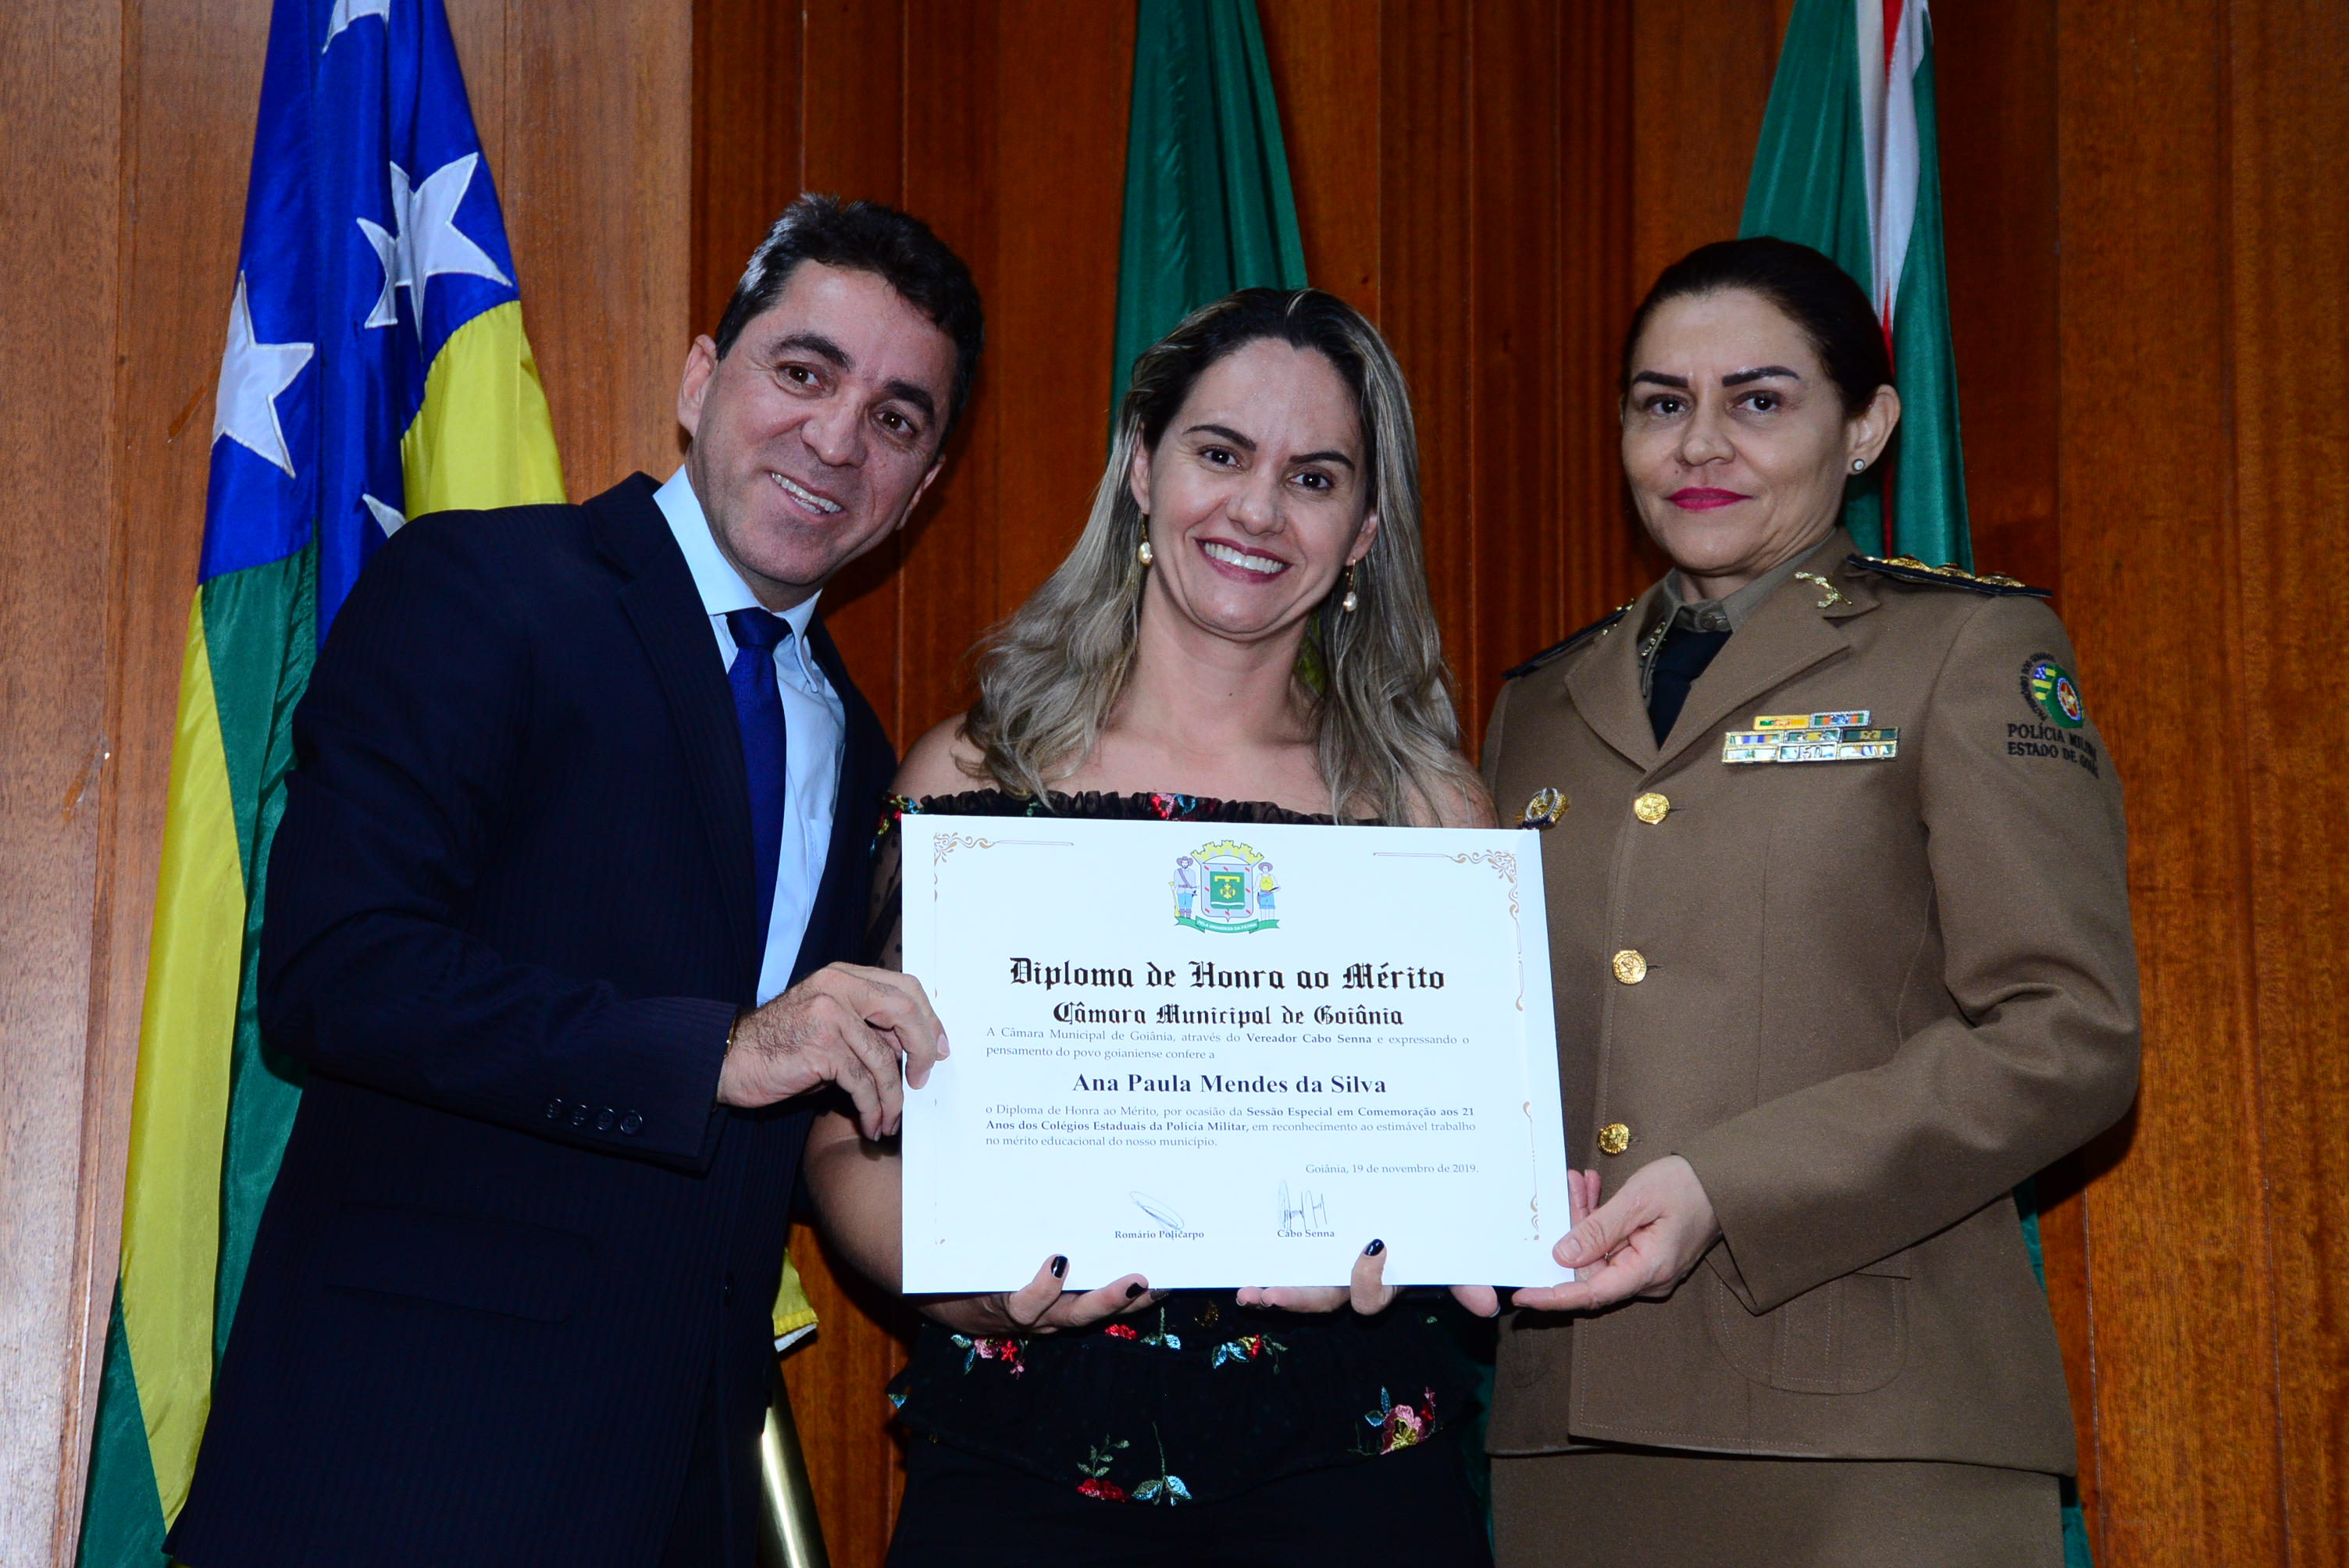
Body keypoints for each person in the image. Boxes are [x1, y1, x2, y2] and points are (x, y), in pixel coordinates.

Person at [169, 195, 974, 1568]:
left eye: (896, 420)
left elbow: (807, 1118)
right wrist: (718, 1050)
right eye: (804, 371)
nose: (839, 440)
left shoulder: (856, 739)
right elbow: (335, 971)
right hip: (398, 1477)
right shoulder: (480, 587)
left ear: (925, 484)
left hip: (679, 1493)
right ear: (700, 379)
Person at [805, 287, 1498, 1565]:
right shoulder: (975, 779)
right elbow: (849, 1131)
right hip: (1026, 1468)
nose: (1257, 510)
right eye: (1219, 453)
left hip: (1351, 1473)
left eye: (1315, 477)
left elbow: (1474, 1153)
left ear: (1363, 530)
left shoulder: (1428, 813)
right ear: (1140, 466)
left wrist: (1426, 1235)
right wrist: (957, 1282)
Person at [1476, 237, 2140, 1566]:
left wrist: (1727, 1186)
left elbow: (2067, 1034)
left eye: (1759, 400)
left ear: (1868, 428)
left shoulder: (1964, 648)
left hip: (1874, 1437)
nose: (1699, 443)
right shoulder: (1536, 705)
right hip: (1569, 1433)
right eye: (1662, 402)